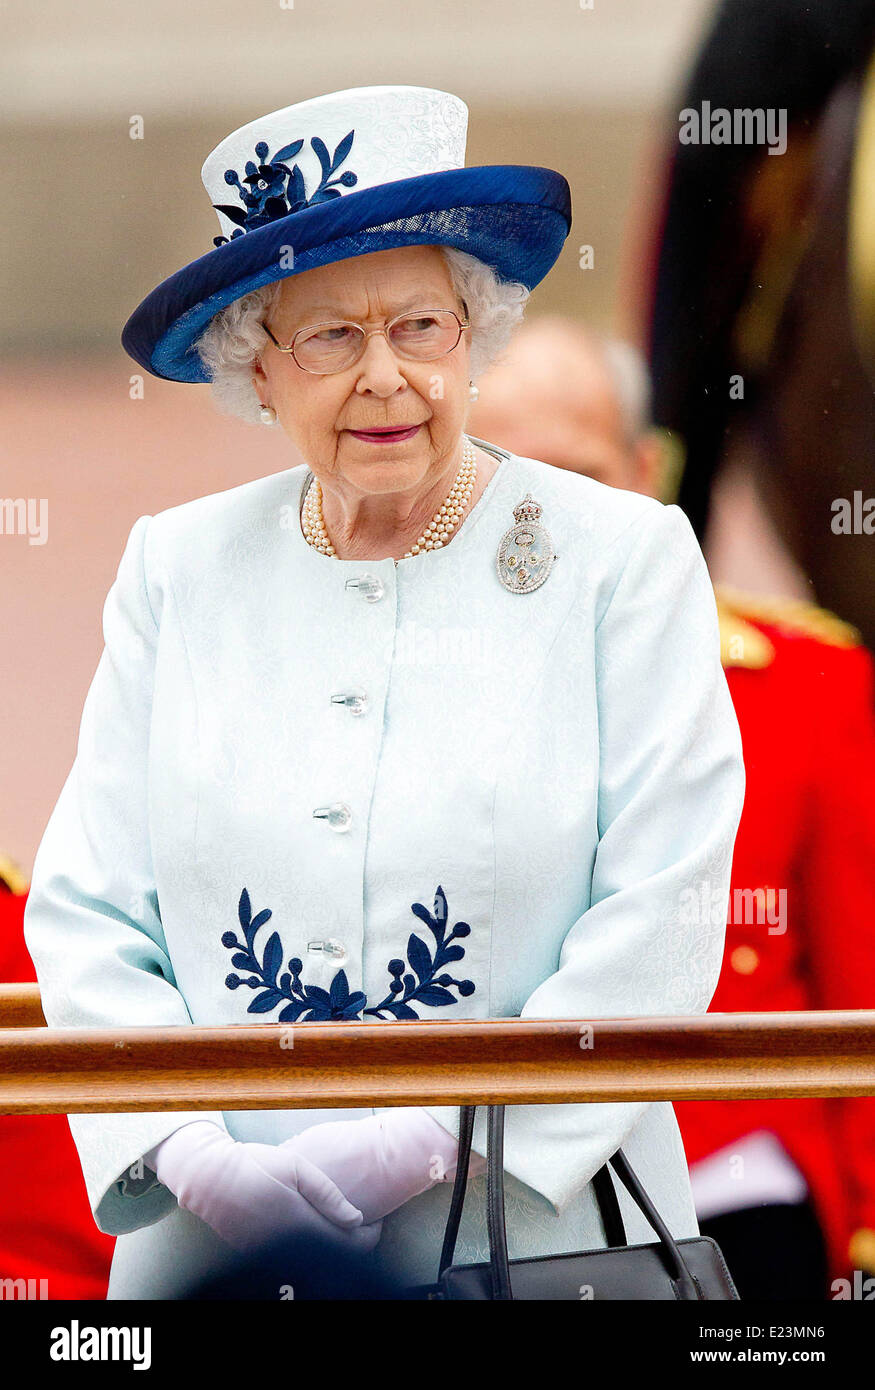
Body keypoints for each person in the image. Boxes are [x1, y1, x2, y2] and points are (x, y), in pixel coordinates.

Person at [23, 86, 744, 1299]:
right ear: (253, 359)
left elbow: (663, 907)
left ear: (476, 331)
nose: (385, 378)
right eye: (329, 337)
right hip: (221, 1260)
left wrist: (439, 1137)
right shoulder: (176, 567)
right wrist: (198, 1161)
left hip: (535, 1245)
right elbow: (90, 909)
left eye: (420, 324)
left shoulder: (622, 558)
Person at [470, 315, 875, 1298]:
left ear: (646, 472)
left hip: (724, 1175)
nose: (546, 521)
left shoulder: (803, 683)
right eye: (506, 485)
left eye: (578, 475)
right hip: (471, 1190)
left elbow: (861, 976)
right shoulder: (391, 690)